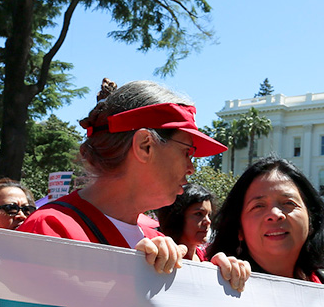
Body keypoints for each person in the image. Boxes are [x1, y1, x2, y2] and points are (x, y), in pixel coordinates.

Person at [20, 79, 248, 289]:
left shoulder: (159, 242)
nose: (192, 168)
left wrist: (214, 282)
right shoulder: (50, 229)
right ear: (145, 146)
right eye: (187, 152)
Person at [207, 157, 324, 306]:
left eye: (288, 203)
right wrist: (210, 278)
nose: (275, 215)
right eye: (258, 206)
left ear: (311, 220)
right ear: (239, 228)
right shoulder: (216, 287)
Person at [155, 183, 214, 261]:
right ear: (177, 216)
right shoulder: (160, 256)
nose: (208, 221)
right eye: (199, 214)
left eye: (209, 215)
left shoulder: (207, 260)